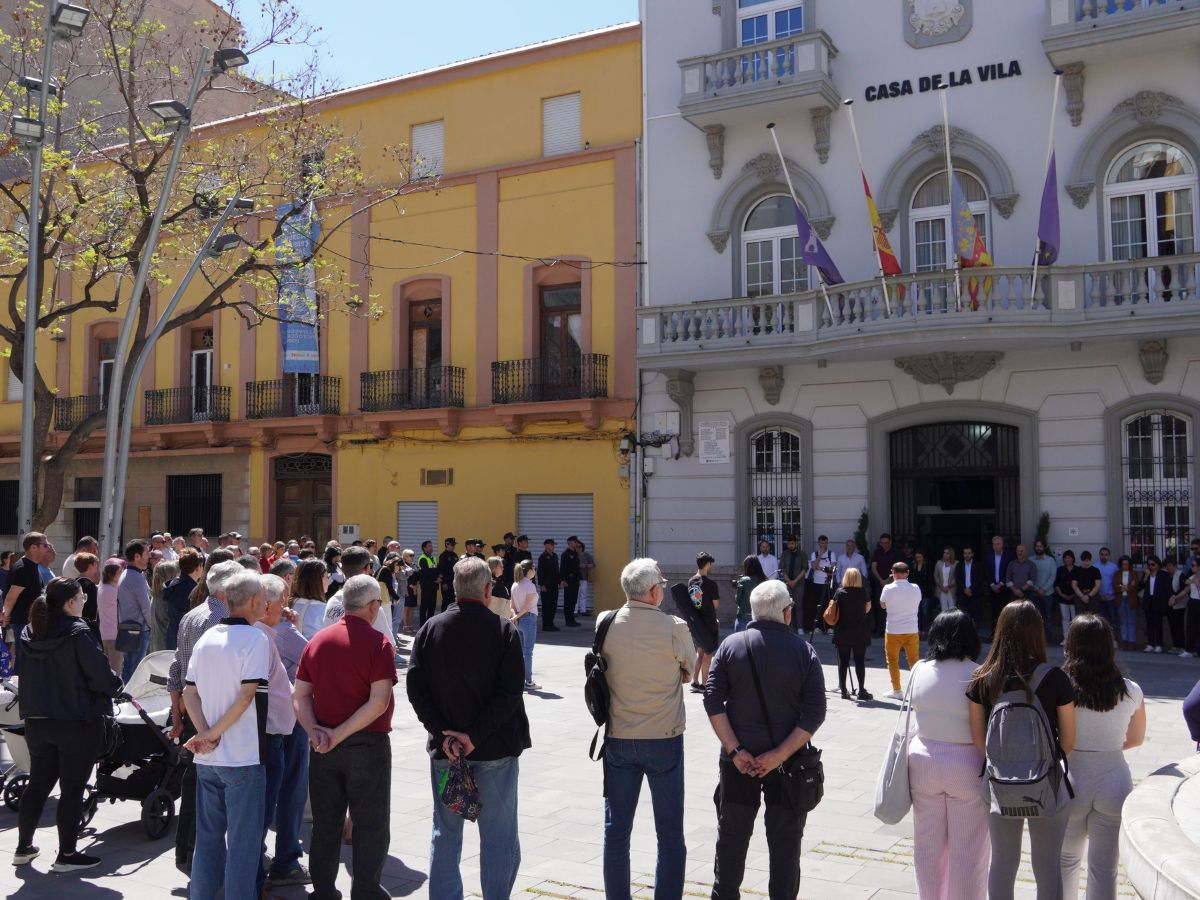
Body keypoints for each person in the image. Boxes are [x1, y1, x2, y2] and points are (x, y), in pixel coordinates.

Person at [407, 557, 529, 900]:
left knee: (445, 834)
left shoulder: (430, 629)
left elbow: (416, 690)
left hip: (448, 753)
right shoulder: (504, 630)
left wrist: (444, 733)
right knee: (499, 837)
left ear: (454, 589)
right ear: (489, 590)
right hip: (494, 750)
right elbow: (510, 694)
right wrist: (474, 735)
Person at [703, 578, 827, 899]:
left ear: (754, 612)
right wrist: (780, 755)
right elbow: (815, 712)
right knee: (786, 843)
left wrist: (735, 750)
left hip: (737, 763)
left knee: (731, 837)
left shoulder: (731, 646)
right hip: (789, 766)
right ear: (787, 613)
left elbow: (712, 700)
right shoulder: (804, 651)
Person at [294, 575, 396, 900]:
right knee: (370, 823)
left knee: (326, 822)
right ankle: (365, 891)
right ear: (372, 606)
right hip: (366, 744)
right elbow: (378, 702)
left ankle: (323, 891)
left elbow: (300, 696)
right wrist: (336, 734)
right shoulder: (379, 644)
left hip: (323, 744)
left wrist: (315, 732)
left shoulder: (318, 641)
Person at [966, 601, 1076, 900]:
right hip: (1046, 781)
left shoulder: (983, 677)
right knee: (1047, 866)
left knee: (1002, 861)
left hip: (999, 781)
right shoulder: (1055, 678)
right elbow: (1068, 741)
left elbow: (979, 739)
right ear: (1037, 633)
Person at [12, 577, 123, 872]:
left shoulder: (30, 631)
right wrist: (116, 684)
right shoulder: (78, 631)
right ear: (71, 602)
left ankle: (23, 847)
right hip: (76, 720)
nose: (85, 602)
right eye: (83, 598)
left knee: (38, 784)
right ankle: (67, 855)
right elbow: (100, 676)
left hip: (38, 720)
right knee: (72, 789)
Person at [599, 558, 693, 900]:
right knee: (669, 835)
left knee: (616, 831)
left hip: (619, 736)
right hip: (663, 737)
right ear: (654, 591)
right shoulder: (675, 627)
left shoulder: (604, 622)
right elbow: (689, 671)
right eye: (663, 585)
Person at [182, 570, 270, 900]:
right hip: (242, 758)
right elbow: (246, 697)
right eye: (263, 597)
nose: (267, 603)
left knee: (207, 842)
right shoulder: (255, 639)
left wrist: (205, 734)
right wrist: (212, 733)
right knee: (243, 848)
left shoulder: (208, 639)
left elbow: (189, 693)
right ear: (250, 601)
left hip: (209, 759)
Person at [1060, 614, 1146, 900]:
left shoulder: (1061, 688)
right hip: (1114, 780)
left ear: (1072, 645)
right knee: (1104, 869)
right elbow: (1135, 739)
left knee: (1065, 863)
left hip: (1071, 781)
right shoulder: (1130, 690)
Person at [168, 559, 243, 875]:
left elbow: (176, 666)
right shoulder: (219, 620)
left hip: (194, 713)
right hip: (209, 716)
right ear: (228, 590)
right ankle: (197, 854)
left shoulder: (192, 614)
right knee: (206, 788)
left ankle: (186, 851)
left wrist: (176, 712)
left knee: (194, 784)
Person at [905, 609, 987, 900]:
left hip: (923, 759)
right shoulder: (979, 673)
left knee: (927, 846)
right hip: (967, 763)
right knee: (968, 850)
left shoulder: (919, 670)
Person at [251, 574, 307, 895]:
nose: (287, 606)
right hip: (271, 736)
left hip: (271, 733)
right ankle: (257, 879)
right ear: (266, 603)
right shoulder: (265, 638)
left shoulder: (267, 633)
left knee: (263, 809)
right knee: (265, 809)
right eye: (283, 599)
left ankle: (256, 874)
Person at [1, 532, 54, 672]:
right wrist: (5, 616)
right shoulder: (23, 568)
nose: (48, 548)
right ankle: (18, 691)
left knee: (28, 659)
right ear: (33, 548)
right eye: (45, 545)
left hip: (30, 622)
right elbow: (11, 597)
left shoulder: (32, 566)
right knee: (23, 658)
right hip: (23, 622)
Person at [324, 546, 395, 648]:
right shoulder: (372, 607)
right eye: (370, 565)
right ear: (367, 569)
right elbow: (389, 647)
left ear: (342, 570)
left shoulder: (332, 601)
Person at [881, 561, 922, 700]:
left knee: (892, 660)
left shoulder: (887, 588)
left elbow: (882, 605)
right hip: (911, 629)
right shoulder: (916, 588)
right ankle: (916, 691)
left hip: (893, 630)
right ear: (907, 573)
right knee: (914, 661)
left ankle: (897, 690)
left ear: (893, 573)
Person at [830, 568, 872, 701]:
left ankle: (843, 690)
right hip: (859, 631)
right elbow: (867, 609)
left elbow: (834, 609)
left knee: (843, 662)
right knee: (860, 661)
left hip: (842, 630)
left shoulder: (839, 592)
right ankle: (861, 690)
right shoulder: (863, 592)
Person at [116, 540, 152, 681]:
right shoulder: (135, 577)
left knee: (129, 669)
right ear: (137, 556)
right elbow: (146, 607)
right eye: (146, 552)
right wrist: (152, 626)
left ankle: (125, 697)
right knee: (134, 672)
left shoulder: (128, 574)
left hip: (130, 629)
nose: (149, 556)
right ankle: (128, 699)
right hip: (139, 630)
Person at [688, 551, 721, 693]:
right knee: (708, 654)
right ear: (707, 564)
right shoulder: (711, 584)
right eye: (710, 564)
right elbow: (716, 605)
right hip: (709, 622)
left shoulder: (691, 581)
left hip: (696, 623)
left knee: (699, 653)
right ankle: (705, 684)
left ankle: (695, 682)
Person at [510, 559, 540, 690]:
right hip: (528, 619)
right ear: (529, 571)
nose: (535, 571)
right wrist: (516, 616)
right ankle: (528, 681)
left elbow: (512, 606)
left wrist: (514, 616)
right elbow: (527, 607)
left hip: (518, 620)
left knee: (521, 652)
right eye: (534, 568)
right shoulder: (530, 586)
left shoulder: (515, 584)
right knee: (528, 652)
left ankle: (519, 679)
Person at [163, 551, 202, 651]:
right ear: (197, 568)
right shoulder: (194, 590)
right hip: (186, 639)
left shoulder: (174, 583)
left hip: (172, 634)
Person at [982, 535, 1015, 637]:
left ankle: (1005, 634)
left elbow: (1009, 572)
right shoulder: (989, 556)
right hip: (993, 589)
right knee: (994, 612)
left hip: (1004, 589)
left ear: (1002, 544)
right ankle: (994, 634)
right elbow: (987, 572)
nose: (996, 546)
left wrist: (1000, 584)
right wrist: (992, 585)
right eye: (994, 544)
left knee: (1005, 611)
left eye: (998, 544)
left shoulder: (1009, 556)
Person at [804, 535, 837, 637]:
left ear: (827, 543)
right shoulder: (814, 554)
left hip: (828, 583)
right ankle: (818, 627)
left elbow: (832, 569)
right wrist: (820, 555)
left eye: (825, 543)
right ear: (819, 543)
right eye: (822, 543)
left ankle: (829, 627)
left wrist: (821, 568)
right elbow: (814, 566)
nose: (824, 545)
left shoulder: (832, 554)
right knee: (818, 606)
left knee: (829, 605)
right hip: (816, 583)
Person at [290, 558, 330, 640]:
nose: (328, 581)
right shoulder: (325, 610)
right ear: (317, 581)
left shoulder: (287, 603)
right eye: (326, 577)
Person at [870, 533, 900, 638]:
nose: (884, 545)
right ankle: (879, 630)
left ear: (890, 542)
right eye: (882, 543)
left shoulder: (895, 553)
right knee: (880, 607)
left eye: (886, 543)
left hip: (892, 584)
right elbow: (874, 567)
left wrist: (887, 580)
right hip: (880, 584)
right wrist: (881, 580)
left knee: (891, 608)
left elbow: (896, 569)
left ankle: (890, 631)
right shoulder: (877, 552)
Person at [1140, 555, 1171, 653]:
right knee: (1149, 623)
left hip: (1159, 601)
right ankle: (1150, 643)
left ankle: (1159, 644)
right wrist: (1146, 576)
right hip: (1148, 601)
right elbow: (1140, 586)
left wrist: (1171, 597)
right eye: (1149, 565)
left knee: (1158, 623)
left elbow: (1168, 588)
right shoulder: (1146, 574)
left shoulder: (1163, 575)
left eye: (1153, 564)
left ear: (1157, 564)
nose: (1151, 566)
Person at [97, 559, 123, 671]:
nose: (121, 575)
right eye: (119, 573)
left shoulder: (102, 588)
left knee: (107, 668)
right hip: (114, 634)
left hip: (104, 632)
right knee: (116, 669)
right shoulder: (112, 591)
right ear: (112, 575)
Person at [149, 559, 179, 653]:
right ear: (170, 576)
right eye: (178, 574)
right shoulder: (166, 598)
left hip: (158, 646)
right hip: (166, 649)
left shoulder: (157, 595)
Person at [1031, 540, 1058, 642]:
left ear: (1044, 547)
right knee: (1035, 618)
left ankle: (1048, 640)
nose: (1039, 548)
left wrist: (1044, 589)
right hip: (1034, 594)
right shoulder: (1031, 560)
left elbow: (1052, 576)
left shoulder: (1051, 560)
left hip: (1048, 594)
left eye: (1041, 546)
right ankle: (1037, 640)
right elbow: (1030, 577)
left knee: (1048, 618)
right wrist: (1037, 588)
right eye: (1037, 546)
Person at [71, 551, 101, 642]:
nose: (97, 568)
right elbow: (92, 609)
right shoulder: (89, 586)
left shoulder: (75, 582)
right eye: (96, 565)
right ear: (90, 566)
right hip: (87, 628)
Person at [778, 535, 805, 633]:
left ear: (796, 543)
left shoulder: (802, 554)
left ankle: (800, 627)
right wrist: (789, 581)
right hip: (787, 583)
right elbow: (782, 569)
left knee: (798, 605)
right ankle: (789, 627)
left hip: (799, 583)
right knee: (788, 605)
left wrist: (795, 581)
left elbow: (804, 569)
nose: (790, 545)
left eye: (792, 543)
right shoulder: (784, 554)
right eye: (789, 544)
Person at [733, 555, 766, 633]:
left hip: (744, 616)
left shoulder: (743, 581)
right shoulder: (763, 580)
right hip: (759, 616)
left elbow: (737, 600)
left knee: (741, 642)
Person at [1114, 555, 1140, 651]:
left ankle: (1131, 642)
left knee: (1131, 622)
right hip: (1121, 599)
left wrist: (1125, 587)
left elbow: (1135, 586)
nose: (1125, 566)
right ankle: (1124, 641)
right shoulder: (1117, 574)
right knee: (1123, 622)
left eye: (1127, 564)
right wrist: (1127, 587)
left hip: (1131, 600)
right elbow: (1115, 586)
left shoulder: (1133, 574)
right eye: (1123, 564)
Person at [1055, 549, 1078, 647]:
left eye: (1069, 557)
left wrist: (1074, 595)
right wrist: (1061, 594)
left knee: (1074, 618)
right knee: (1065, 618)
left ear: (1073, 559)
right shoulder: (1060, 570)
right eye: (1065, 558)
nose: (1067, 559)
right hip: (1063, 597)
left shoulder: (1077, 569)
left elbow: (1078, 584)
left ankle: (1074, 638)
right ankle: (1066, 638)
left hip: (1074, 597)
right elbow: (1056, 584)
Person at [1072, 550, 1102, 623]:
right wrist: (1082, 596)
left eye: (1087, 560)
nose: (1086, 562)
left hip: (1093, 596)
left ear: (1090, 560)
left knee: (1093, 619)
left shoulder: (1095, 570)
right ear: (1081, 560)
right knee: (1080, 619)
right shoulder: (1076, 570)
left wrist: (1089, 596)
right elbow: (1074, 585)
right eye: (1084, 560)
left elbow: (1098, 585)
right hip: (1080, 596)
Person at [1167, 556, 1189, 655]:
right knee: (1172, 624)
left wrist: (1175, 597)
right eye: (1167, 566)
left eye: (1170, 566)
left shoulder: (1181, 575)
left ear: (1175, 565)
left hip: (1180, 603)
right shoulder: (1167, 576)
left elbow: (1183, 588)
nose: (1168, 568)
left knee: (1178, 624)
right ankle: (1175, 644)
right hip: (1170, 604)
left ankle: (1181, 645)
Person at [910, 549, 935, 633]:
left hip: (926, 592)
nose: (918, 559)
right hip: (915, 592)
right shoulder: (913, 566)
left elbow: (930, 580)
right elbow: (912, 579)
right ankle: (918, 630)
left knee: (925, 612)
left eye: (920, 557)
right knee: (917, 612)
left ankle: (925, 630)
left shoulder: (928, 566)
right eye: (917, 557)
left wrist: (923, 591)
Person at [416, 540, 440, 625]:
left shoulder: (433, 558)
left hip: (434, 586)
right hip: (426, 586)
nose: (431, 547)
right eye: (429, 546)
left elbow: (436, 570)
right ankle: (422, 625)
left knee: (432, 607)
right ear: (424, 548)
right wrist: (436, 579)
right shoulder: (422, 559)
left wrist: (439, 576)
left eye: (431, 545)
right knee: (424, 607)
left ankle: (430, 624)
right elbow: (426, 572)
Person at [560, 536, 581, 628]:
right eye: (574, 542)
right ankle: (568, 620)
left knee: (573, 600)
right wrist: (563, 580)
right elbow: (563, 568)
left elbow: (576, 568)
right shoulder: (566, 554)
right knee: (568, 600)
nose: (575, 543)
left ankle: (572, 619)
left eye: (576, 542)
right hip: (569, 580)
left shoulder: (575, 553)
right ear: (569, 542)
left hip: (575, 580)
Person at [1096, 547, 1119, 626]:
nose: (1104, 556)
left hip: (1111, 598)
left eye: (1106, 555)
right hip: (1099, 598)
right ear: (1099, 555)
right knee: (1100, 621)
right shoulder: (1095, 567)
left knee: (1113, 621)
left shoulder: (1114, 567)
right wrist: (1099, 594)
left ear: (1109, 556)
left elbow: (1117, 582)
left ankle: (1113, 638)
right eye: (1102, 554)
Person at [438, 537, 459, 612]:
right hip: (446, 582)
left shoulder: (455, 555)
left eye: (454, 544)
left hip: (454, 582)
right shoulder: (443, 556)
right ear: (447, 545)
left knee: (454, 601)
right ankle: (443, 617)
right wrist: (444, 583)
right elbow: (441, 570)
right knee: (446, 601)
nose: (454, 546)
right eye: (452, 544)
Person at [934, 547, 957, 614]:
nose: (945, 554)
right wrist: (941, 586)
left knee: (952, 610)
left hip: (951, 589)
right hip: (941, 590)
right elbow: (935, 576)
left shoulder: (956, 563)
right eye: (944, 552)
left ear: (951, 554)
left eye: (947, 553)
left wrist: (949, 586)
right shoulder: (939, 563)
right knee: (944, 611)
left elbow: (957, 577)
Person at [577, 539, 595, 616]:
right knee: (575, 595)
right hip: (575, 578)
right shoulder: (573, 555)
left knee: (583, 594)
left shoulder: (586, 555)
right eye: (577, 547)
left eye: (580, 547)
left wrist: (586, 565)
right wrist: (578, 566)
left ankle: (583, 610)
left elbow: (593, 564)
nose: (578, 548)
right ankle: (574, 611)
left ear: (582, 547)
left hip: (584, 578)